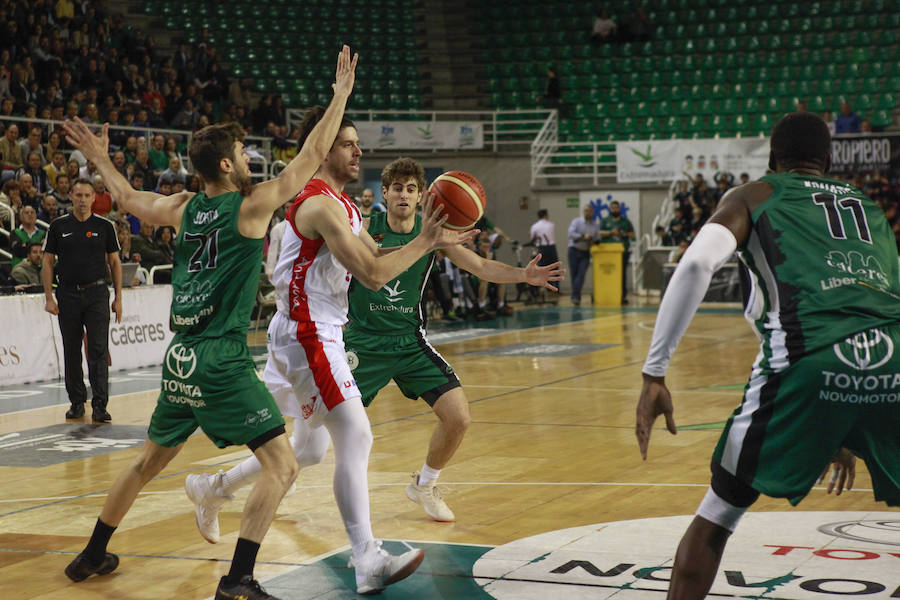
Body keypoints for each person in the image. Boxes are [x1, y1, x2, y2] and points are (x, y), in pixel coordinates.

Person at [59, 45, 358, 600]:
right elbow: (314, 154)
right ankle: (239, 579)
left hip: (180, 357)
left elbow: (122, 196)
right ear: (226, 164)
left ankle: (93, 552)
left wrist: (100, 158)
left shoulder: (182, 207)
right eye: (244, 152)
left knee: (148, 462)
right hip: (220, 358)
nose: (250, 159)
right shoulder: (250, 206)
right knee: (282, 466)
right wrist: (339, 96)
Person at [183, 107, 478, 595]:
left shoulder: (346, 206)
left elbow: (380, 256)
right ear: (321, 150)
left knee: (308, 449)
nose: (358, 150)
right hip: (307, 332)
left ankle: (212, 489)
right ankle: (367, 559)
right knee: (355, 435)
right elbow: (376, 276)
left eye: (358, 142)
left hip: (310, 331)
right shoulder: (319, 205)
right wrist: (426, 241)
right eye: (347, 143)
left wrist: (431, 240)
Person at [636, 112, 900, 600]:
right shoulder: (868, 207)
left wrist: (655, 372)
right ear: (829, 159)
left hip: (808, 356)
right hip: (894, 355)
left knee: (718, 515)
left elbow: (695, 262)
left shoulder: (756, 194)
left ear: (773, 160)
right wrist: (839, 421)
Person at [343, 157, 562, 521]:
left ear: (422, 197)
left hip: (408, 342)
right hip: (361, 343)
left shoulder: (436, 236)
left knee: (458, 417)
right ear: (384, 193)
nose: (403, 194)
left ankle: (424, 485)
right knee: (318, 433)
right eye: (396, 188)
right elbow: (367, 258)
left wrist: (524, 275)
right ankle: (260, 477)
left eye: (411, 189)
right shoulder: (366, 227)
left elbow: (480, 266)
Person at [42, 177, 122, 422]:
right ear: (71, 197)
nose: (83, 200)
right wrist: (48, 297)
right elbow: (47, 261)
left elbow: (115, 262)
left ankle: (100, 405)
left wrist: (119, 297)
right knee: (71, 350)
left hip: (97, 293)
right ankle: (77, 402)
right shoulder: (57, 226)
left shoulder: (105, 227)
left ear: (94, 198)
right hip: (67, 294)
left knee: (98, 350)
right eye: (78, 195)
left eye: (87, 195)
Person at [598, 200, 635, 304]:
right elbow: (599, 233)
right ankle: (607, 294)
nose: (615, 210)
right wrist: (610, 232)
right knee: (608, 273)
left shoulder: (625, 221)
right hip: (608, 252)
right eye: (613, 208)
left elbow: (632, 235)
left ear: (620, 209)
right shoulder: (605, 221)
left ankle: (622, 295)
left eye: (617, 208)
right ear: (610, 209)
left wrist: (623, 233)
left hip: (622, 252)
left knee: (622, 274)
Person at [567, 203, 598, 305]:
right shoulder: (576, 222)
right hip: (574, 250)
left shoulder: (595, 226)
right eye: (586, 211)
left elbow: (597, 239)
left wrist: (592, 240)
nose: (588, 213)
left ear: (592, 213)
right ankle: (576, 296)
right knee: (574, 275)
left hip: (585, 252)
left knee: (581, 275)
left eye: (589, 211)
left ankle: (575, 296)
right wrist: (583, 236)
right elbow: (571, 234)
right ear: (583, 212)